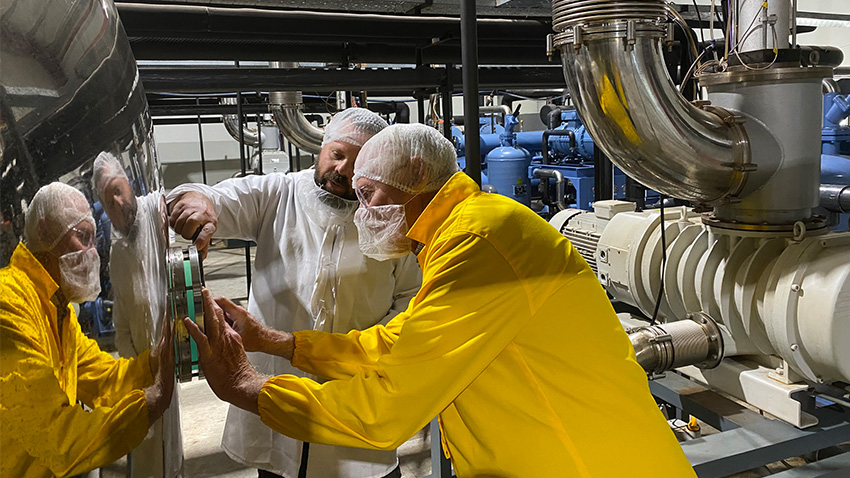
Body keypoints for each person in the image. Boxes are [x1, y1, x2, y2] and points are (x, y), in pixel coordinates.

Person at [184, 123, 698, 476]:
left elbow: (386, 409)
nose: (361, 212)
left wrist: (248, 387)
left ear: (413, 173)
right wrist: (279, 342)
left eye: (368, 195)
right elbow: (399, 343)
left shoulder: (481, 241)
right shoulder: (456, 236)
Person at [167, 108, 422, 478]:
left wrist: (365, 350)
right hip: (277, 392)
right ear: (321, 147)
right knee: (281, 468)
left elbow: (410, 300)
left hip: (353, 395)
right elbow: (212, 197)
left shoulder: (389, 215)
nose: (344, 170)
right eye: (337, 154)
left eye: (359, 162)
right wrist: (196, 201)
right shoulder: (278, 193)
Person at [0, 182, 174, 478]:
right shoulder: (9, 304)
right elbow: (55, 437)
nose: (93, 254)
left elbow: (101, 377)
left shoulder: (57, 308)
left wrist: (156, 361)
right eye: (83, 238)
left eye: (94, 240)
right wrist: (150, 403)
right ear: (44, 232)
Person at [94, 151, 183, 478]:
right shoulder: (117, 252)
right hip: (142, 365)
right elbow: (121, 318)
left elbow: (174, 203)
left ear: (130, 185)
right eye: (108, 198)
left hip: (172, 352)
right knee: (146, 443)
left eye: (119, 189)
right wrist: (136, 367)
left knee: (170, 438)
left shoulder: (155, 212)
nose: (118, 202)